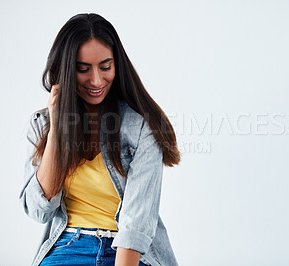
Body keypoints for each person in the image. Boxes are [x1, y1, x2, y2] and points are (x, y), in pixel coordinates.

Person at [19, 13, 180, 266]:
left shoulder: (142, 127)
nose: (96, 80)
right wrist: (57, 126)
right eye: (83, 69)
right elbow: (40, 210)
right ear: (65, 70)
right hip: (68, 246)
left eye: (105, 67)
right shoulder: (41, 125)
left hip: (131, 253)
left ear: (117, 65)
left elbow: (135, 226)